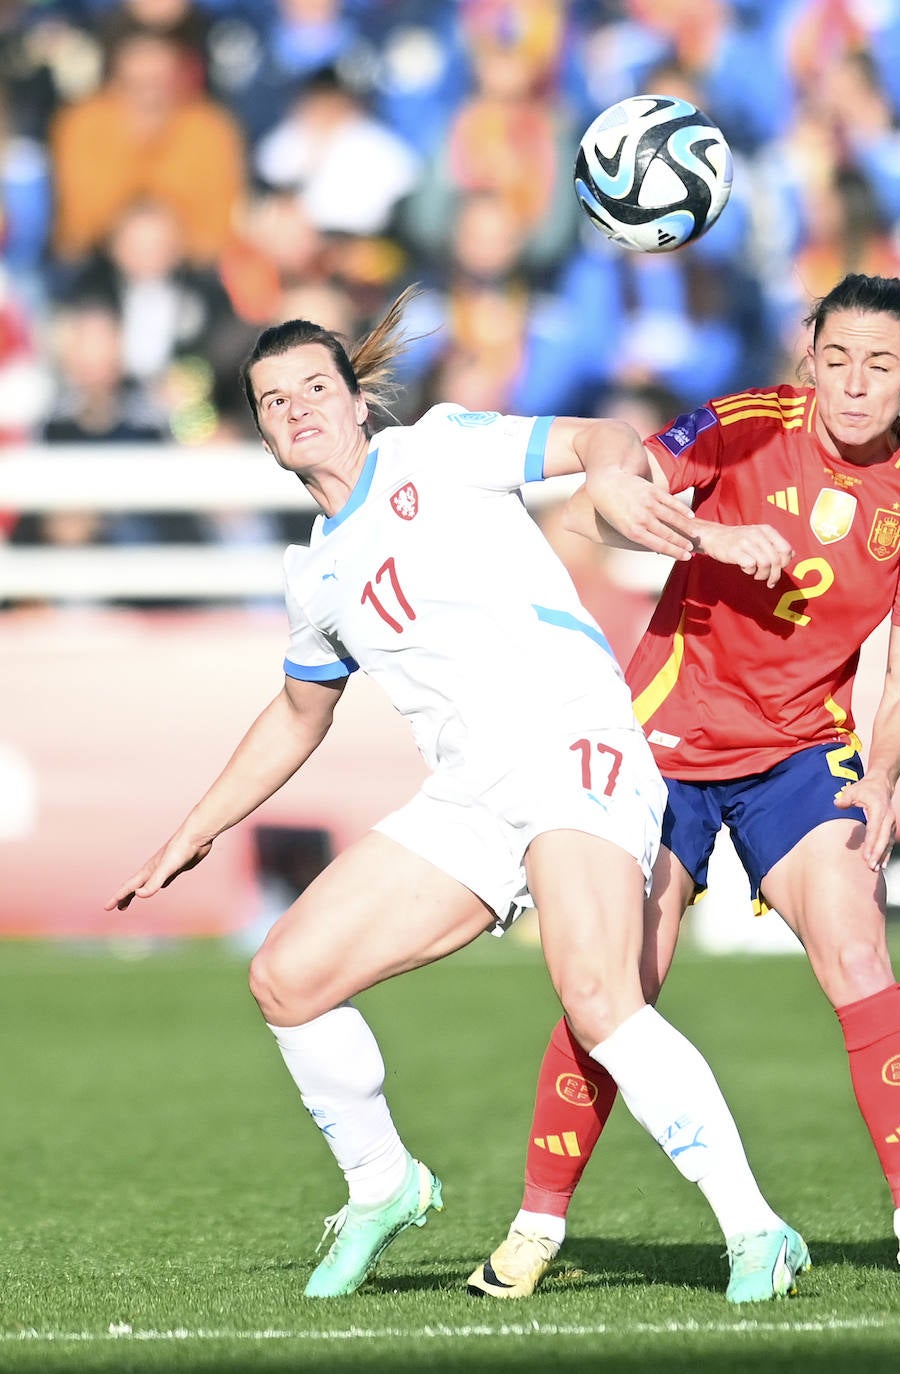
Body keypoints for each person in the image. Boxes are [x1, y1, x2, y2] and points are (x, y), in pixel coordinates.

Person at [104, 286, 811, 1305]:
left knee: (600, 997)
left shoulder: (434, 448)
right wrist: (195, 830)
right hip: (470, 794)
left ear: (357, 401)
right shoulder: (315, 578)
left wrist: (615, 483)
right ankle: (383, 1184)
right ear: (260, 432)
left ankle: (758, 1229)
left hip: (574, 743)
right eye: (272, 401)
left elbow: (599, 435)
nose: (297, 408)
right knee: (287, 979)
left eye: (315, 387)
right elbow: (301, 715)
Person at [467, 273, 900, 1303]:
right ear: (808, 357)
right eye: (835, 359)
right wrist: (707, 536)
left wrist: (880, 780)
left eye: (879, 366)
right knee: (617, 987)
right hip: (660, 746)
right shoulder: (740, 428)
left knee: (856, 946)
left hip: (800, 755)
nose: (853, 383)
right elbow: (603, 509)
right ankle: (536, 1224)